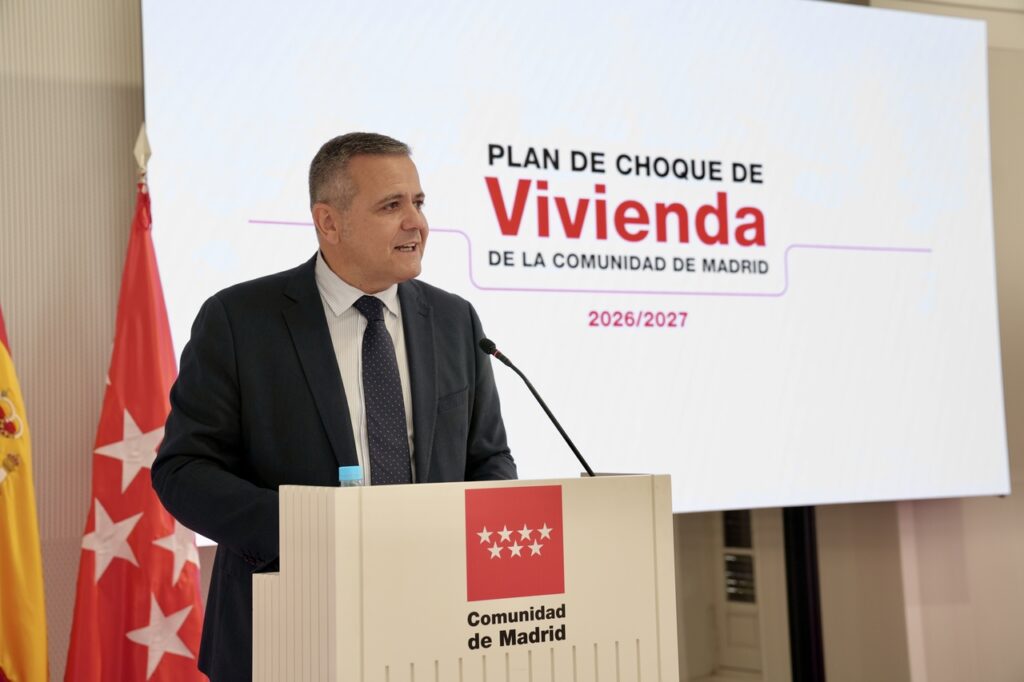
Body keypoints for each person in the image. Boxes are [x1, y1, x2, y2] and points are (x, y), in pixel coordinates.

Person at [152, 132, 517, 682]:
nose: (416, 223)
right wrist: (308, 532)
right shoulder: (240, 319)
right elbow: (183, 470)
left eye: (419, 203)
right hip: (285, 626)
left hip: (432, 623)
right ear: (329, 221)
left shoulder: (454, 320)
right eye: (391, 206)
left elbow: (489, 460)